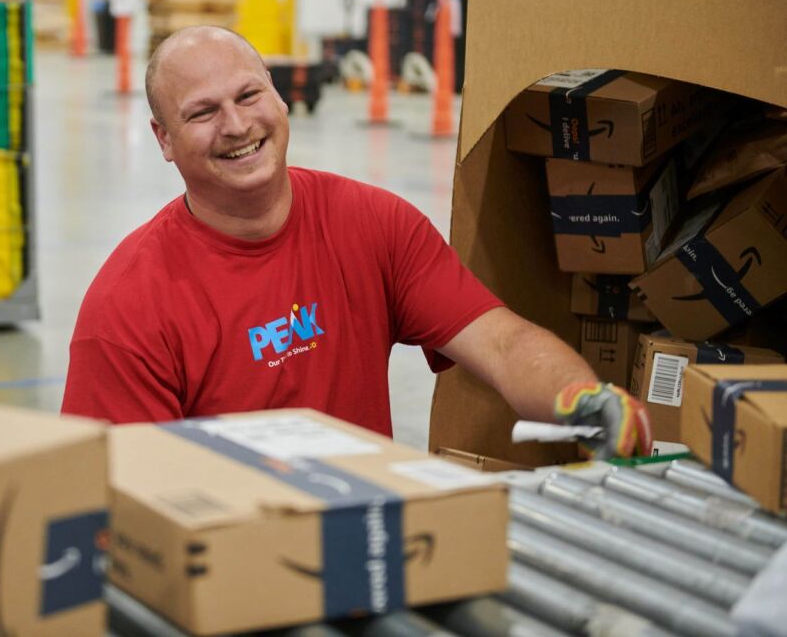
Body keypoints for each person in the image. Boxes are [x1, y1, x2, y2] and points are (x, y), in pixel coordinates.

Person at [61, 26, 651, 459]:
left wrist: (582, 398)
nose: (237, 127)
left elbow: (502, 344)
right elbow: (122, 490)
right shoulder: (128, 305)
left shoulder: (371, 224)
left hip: (368, 533)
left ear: (278, 95)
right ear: (163, 139)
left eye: (247, 97)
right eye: (201, 113)